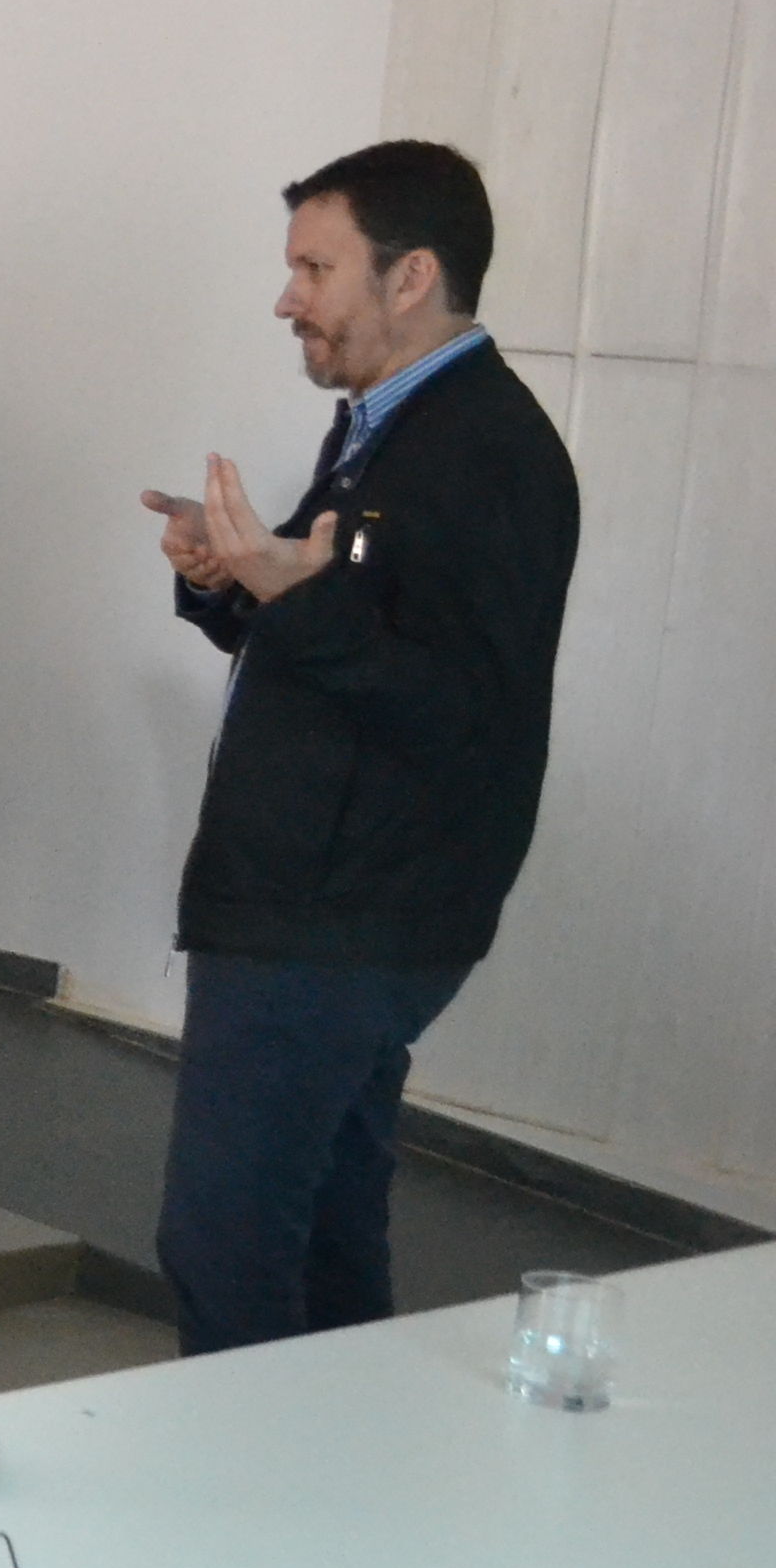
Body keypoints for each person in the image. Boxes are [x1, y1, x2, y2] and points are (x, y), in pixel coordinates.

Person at [144, 141, 576, 1359]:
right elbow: (328, 614)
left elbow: (461, 703)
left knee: (227, 1240)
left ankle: (252, 1517)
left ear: (409, 277)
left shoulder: (485, 451)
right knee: (326, 1226)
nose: (289, 298)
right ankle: (337, 1500)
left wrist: (290, 596)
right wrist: (226, 580)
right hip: (325, 904)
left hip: (337, 917)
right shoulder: (385, 429)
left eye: (314, 267)